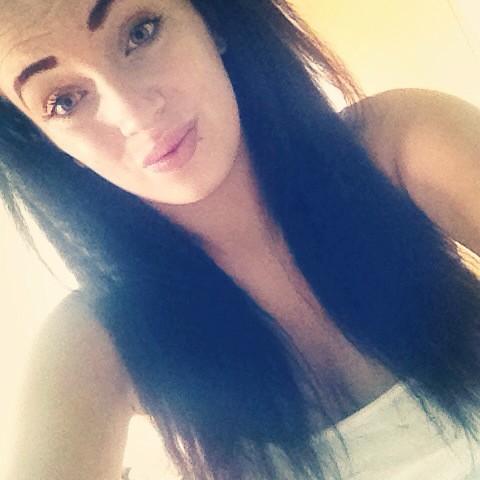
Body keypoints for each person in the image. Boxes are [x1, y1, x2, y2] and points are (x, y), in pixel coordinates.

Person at [1, 0, 479, 479]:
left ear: (210, 20)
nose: (134, 112)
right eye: (64, 101)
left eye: (140, 32)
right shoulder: (95, 342)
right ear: (48, 142)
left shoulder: (401, 144)